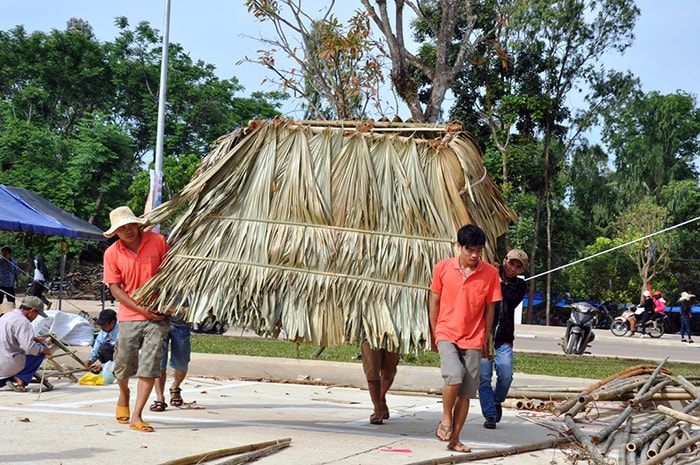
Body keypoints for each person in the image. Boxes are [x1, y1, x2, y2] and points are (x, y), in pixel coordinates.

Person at [429, 224, 502, 453]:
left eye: (479, 250)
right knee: (454, 374)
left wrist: (484, 337)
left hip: (474, 337)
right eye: (470, 250)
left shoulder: (490, 273)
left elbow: (490, 309)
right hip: (446, 332)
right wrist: (435, 333)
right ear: (459, 246)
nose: (475, 255)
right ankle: (445, 419)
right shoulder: (442, 268)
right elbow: (434, 303)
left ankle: (455, 439)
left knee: (467, 391)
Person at [103, 206, 170, 433]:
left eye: (130, 224)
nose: (128, 230)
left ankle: (137, 416)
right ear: (116, 232)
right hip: (130, 315)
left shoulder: (158, 241)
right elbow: (115, 288)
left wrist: (166, 303)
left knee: (150, 364)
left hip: (158, 315)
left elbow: (172, 274)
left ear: (138, 224)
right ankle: (123, 394)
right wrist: (141, 308)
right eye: (122, 228)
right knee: (122, 364)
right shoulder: (112, 253)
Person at [479, 248, 528, 429]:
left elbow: (508, 298)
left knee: (505, 374)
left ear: (521, 270)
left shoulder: (519, 286)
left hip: (504, 338)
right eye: (511, 263)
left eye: (517, 266)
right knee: (484, 377)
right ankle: (490, 415)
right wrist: (493, 275)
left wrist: (498, 282)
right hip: (484, 336)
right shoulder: (489, 273)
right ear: (505, 260)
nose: (512, 268)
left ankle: (497, 399)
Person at [0, 296, 52, 391]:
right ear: (32, 311)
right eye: (37, 314)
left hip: (2, 358)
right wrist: (44, 350)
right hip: (7, 363)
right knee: (40, 350)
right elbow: (29, 348)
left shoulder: (6, 316)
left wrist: (33, 338)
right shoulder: (23, 322)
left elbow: (10, 337)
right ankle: (21, 377)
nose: (36, 318)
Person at [150, 308, 192, 412]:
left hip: (182, 324)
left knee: (182, 363)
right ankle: (160, 398)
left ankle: (175, 386)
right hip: (160, 322)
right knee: (159, 363)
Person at [361, 340, 400, 425]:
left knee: (390, 370)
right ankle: (377, 410)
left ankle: (381, 397)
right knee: (372, 369)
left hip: (392, 333)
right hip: (369, 332)